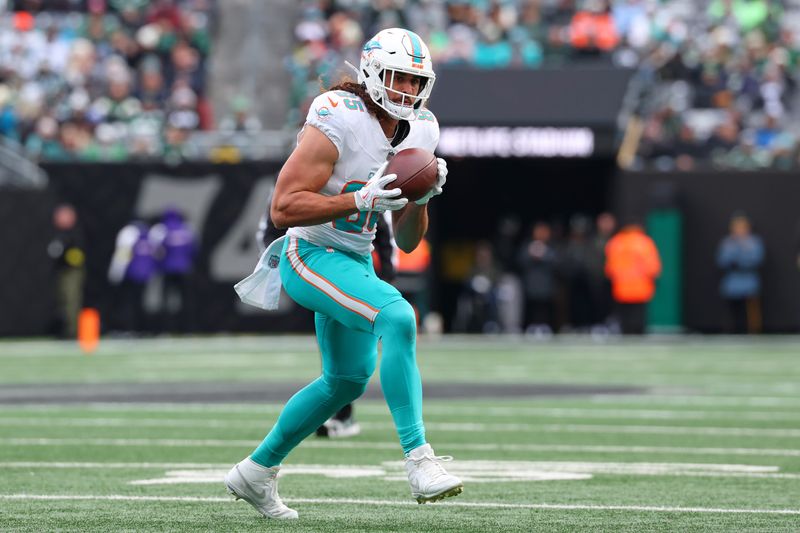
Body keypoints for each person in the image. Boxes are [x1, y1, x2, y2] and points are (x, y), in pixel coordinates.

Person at [225, 28, 460, 520]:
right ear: (373, 74)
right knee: (398, 317)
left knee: (347, 379)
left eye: (417, 83)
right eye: (398, 79)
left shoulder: (421, 130)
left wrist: (421, 198)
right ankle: (419, 460)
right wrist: (357, 199)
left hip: (353, 256)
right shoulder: (339, 114)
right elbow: (283, 208)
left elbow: (411, 240)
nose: (408, 93)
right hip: (307, 253)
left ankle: (255, 471)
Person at [604, 220, 661, 334]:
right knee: (638, 318)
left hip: (621, 287)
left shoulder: (616, 242)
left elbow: (609, 269)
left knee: (625, 318)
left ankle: (626, 333)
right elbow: (653, 267)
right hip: (641, 287)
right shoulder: (645, 242)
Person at [716, 212, 764, 333]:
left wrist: (742, 260)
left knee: (749, 309)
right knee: (731, 309)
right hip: (732, 280)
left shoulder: (754, 242)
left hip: (749, 280)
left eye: (742, 227)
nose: (739, 230)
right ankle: (730, 331)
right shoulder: (727, 243)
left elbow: (756, 259)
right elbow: (722, 260)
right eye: (737, 227)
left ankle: (752, 331)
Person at [47, 204, 86, 338]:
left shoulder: (75, 234)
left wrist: (70, 259)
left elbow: (77, 256)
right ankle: (63, 329)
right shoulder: (56, 234)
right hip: (62, 271)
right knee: (62, 302)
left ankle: (72, 331)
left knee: (72, 301)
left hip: (71, 272)